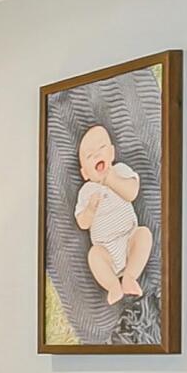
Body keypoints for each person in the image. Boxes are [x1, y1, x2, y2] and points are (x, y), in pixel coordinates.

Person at [73, 123, 151, 304]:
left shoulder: (120, 170)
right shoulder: (86, 191)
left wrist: (111, 179)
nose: (97, 155)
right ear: (85, 173)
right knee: (94, 255)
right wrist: (90, 210)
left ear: (112, 153)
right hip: (106, 250)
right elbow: (82, 223)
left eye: (101, 148)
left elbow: (132, 192)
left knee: (144, 234)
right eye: (90, 156)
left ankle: (130, 277)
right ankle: (113, 286)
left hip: (129, 237)